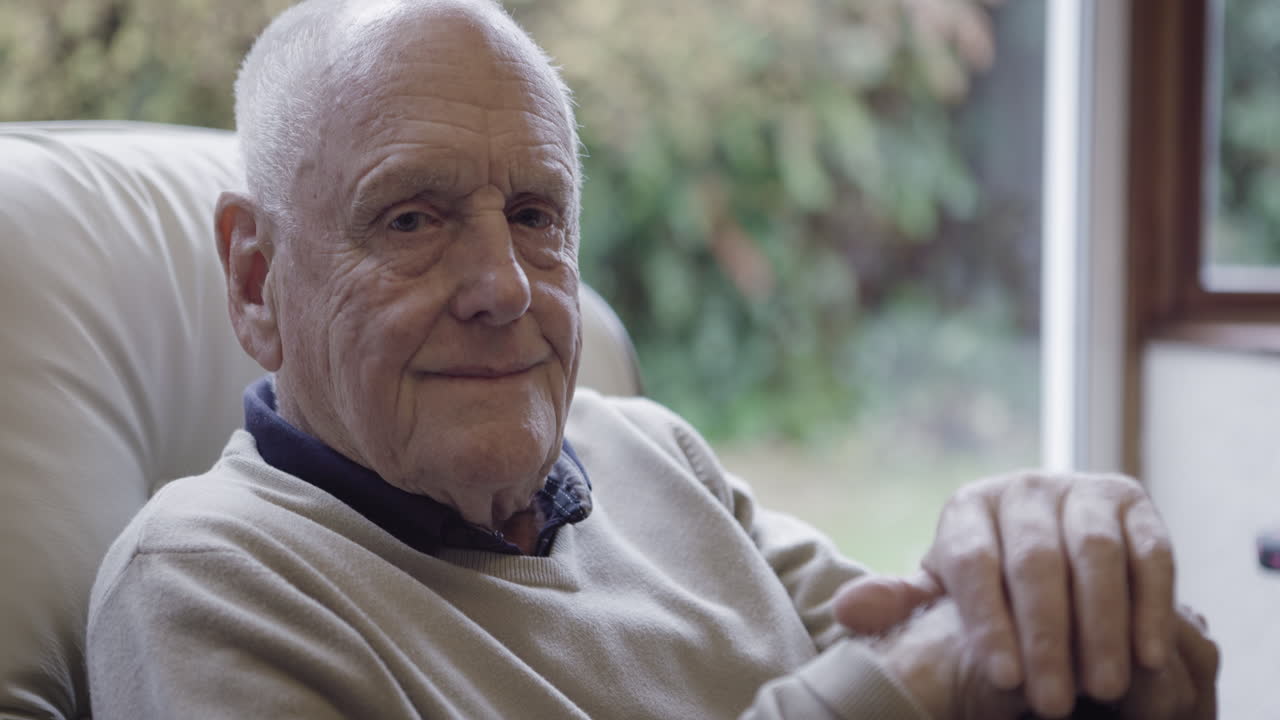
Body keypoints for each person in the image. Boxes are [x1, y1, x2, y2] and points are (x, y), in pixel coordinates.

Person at [85, 0, 1218, 717]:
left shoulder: (649, 448)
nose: (503, 288)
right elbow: (897, 682)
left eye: (534, 215)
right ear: (253, 278)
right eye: (410, 220)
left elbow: (933, 653)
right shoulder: (202, 583)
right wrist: (905, 688)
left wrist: (1072, 622)